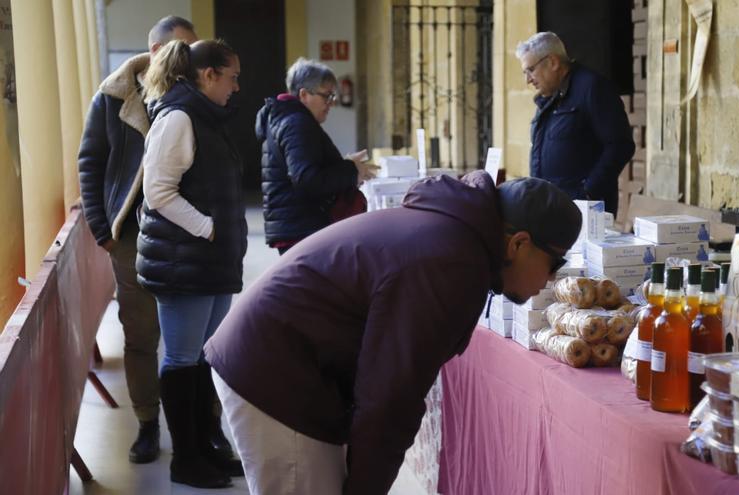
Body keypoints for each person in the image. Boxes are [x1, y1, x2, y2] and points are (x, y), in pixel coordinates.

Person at [204, 172, 582, 494]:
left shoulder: (454, 237)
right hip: (274, 374)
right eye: (555, 264)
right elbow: (389, 395)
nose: (550, 280)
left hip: (282, 360)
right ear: (519, 244)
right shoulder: (452, 263)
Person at [77, 15, 198, 464]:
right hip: (130, 232)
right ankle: (148, 423)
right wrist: (102, 230)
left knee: (193, 332)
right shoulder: (112, 97)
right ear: (153, 50)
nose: (187, 60)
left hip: (187, 230)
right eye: (179, 50)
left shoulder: (195, 95)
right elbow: (90, 161)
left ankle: (197, 424)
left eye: (193, 49)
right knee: (141, 332)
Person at [137, 39, 246, 488]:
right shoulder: (179, 117)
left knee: (202, 358)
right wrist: (209, 228)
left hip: (210, 261)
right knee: (182, 359)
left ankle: (205, 448)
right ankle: (186, 459)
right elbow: (157, 192)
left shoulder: (206, 117)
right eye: (233, 77)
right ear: (208, 75)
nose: (237, 87)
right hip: (185, 261)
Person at [255, 57, 376, 255]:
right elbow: (307, 180)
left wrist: (345, 164)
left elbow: (306, 168)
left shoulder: (290, 119)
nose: (331, 103)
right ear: (304, 94)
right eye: (326, 96)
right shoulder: (296, 123)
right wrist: (350, 170)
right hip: (302, 228)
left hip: (297, 225)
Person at [516, 31, 635, 215]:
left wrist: (587, 191)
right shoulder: (547, 98)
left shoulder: (593, 88)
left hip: (585, 211)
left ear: (553, 62)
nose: (528, 80)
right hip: (551, 208)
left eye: (530, 70)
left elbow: (621, 145)